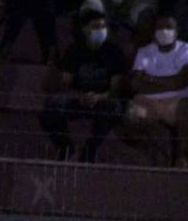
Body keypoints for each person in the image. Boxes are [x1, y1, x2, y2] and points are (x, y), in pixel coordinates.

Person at [39, 10, 127, 163]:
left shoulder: (114, 52)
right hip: (79, 99)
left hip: (103, 100)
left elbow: (116, 89)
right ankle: (65, 147)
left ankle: (90, 150)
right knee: (50, 108)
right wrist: (80, 97)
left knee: (115, 107)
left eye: (103, 27)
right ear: (84, 29)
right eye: (96, 27)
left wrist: (98, 97)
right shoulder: (74, 50)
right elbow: (65, 83)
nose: (101, 30)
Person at [124, 15, 188, 166]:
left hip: (177, 101)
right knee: (131, 116)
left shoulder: (187, 50)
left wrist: (151, 79)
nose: (164, 31)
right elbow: (136, 84)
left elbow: (183, 81)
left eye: (168, 27)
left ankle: (181, 157)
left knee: (185, 106)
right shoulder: (144, 52)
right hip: (148, 101)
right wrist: (171, 82)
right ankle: (154, 153)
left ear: (176, 31)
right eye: (160, 28)